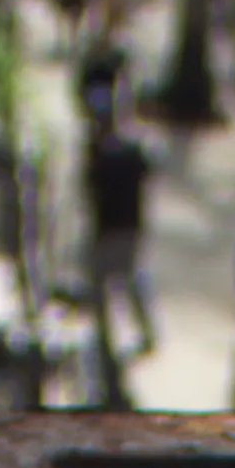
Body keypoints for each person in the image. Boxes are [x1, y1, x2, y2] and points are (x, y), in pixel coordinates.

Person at [86, 98, 156, 356]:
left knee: (101, 285)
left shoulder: (99, 156)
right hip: (129, 228)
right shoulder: (130, 151)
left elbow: (91, 191)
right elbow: (147, 171)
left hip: (109, 230)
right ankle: (144, 333)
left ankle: (104, 337)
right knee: (129, 282)